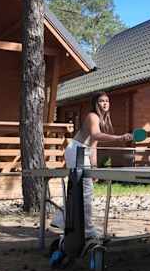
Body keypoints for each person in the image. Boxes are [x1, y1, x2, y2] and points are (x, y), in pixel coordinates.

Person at [52, 92, 132, 238]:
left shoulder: (100, 119)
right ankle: (87, 230)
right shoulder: (93, 116)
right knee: (86, 191)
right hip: (76, 151)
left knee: (80, 189)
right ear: (95, 103)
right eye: (101, 101)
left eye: (107, 101)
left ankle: (60, 218)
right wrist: (119, 138)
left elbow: (93, 145)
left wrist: (94, 167)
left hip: (82, 152)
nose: (105, 103)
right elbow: (95, 135)